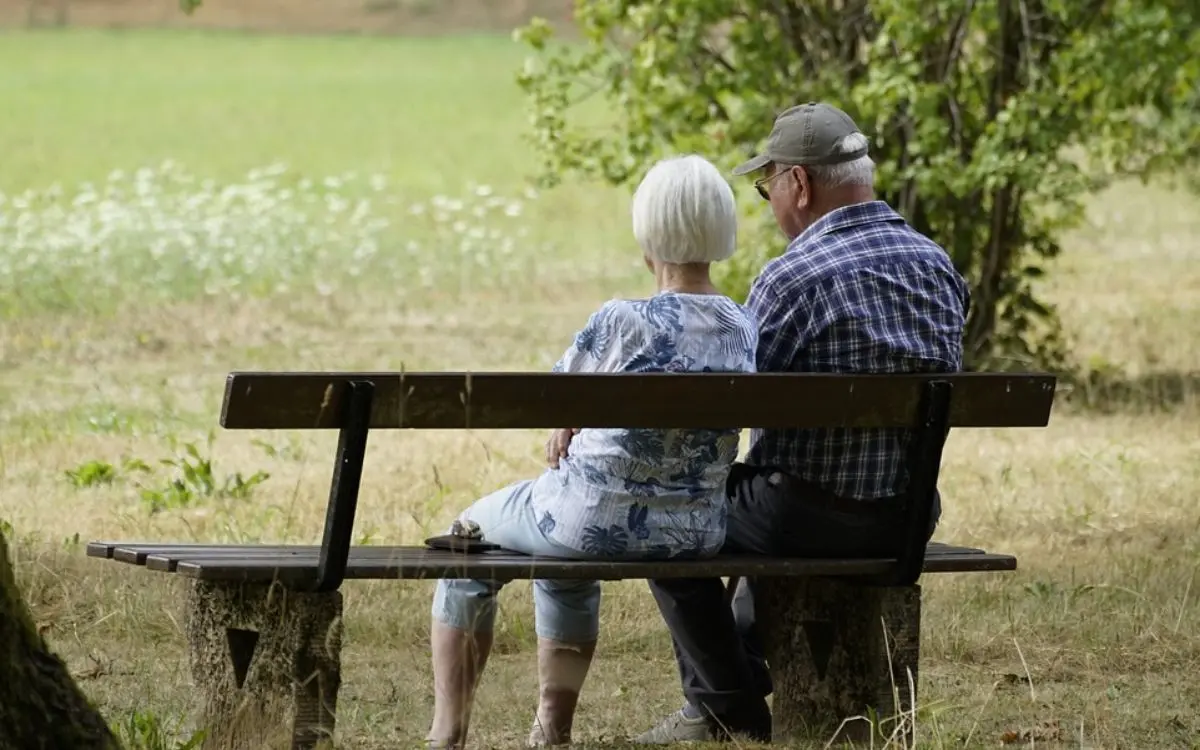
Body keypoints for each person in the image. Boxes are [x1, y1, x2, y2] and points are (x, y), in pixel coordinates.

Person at [634, 102, 971, 744]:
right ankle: (728, 690)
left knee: (665, 511)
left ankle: (727, 707)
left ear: (799, 184)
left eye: (767, 190)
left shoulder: (792, 278)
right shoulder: (939, 267)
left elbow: (733, 407)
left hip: (807, 518)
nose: (770, 204)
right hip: (907, 517)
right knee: (770, 493)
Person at [425, 154, 759, 749]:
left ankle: (446, 734)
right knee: (560, 554)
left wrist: (568, 420)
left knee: (467, 539)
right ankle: (551, 730)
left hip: (588, 520)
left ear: (648, 234)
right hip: (694, 531)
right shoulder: (743, 326)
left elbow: (551, 398)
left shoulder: (621, 321)